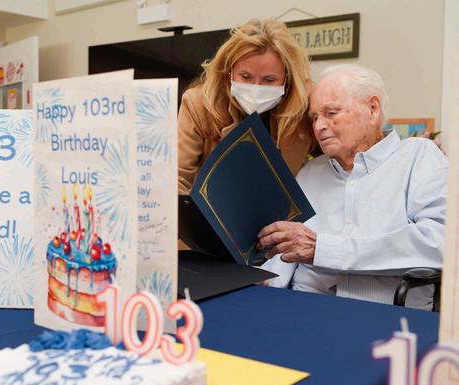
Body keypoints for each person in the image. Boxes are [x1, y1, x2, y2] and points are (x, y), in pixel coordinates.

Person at [257, 64, 447, 310]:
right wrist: (261, 281)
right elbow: (285, 256)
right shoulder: (310, 172)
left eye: (331, 113)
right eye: (314, 117)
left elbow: (440, 243)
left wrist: (324, 250)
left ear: (373, 108)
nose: (319, 126)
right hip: (299, 307)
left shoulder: (417, 156)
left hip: (381, 315)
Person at [178, 18, 316, 194]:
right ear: (229, 72)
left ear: (287, 79)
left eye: (269, 80)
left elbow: (337, 160)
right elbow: (178, 180)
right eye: (245, 77)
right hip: (213, 208)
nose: (256, 87)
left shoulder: (305, 107)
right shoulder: (198, 105)